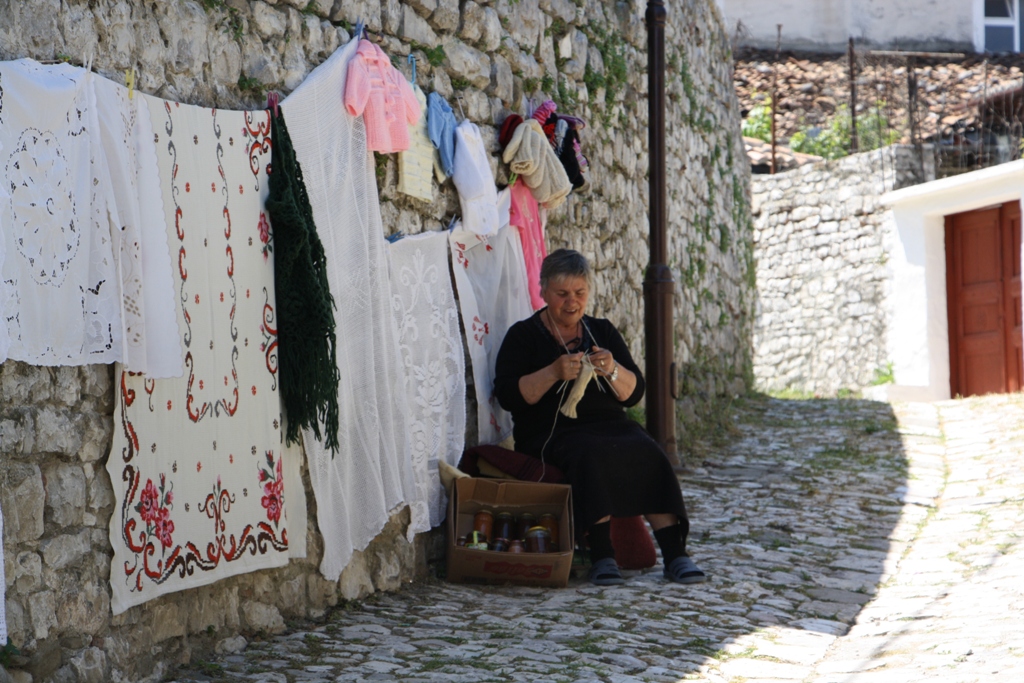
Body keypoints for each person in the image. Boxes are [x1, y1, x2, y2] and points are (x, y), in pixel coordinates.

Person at [494, 249, 706, 586]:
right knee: (589, 454)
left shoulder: (601, 331)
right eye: (562, 294)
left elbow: (634, 393)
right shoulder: (523, 336)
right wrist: (552, 372)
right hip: (552, 434)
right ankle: (603, 556)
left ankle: (675, 553)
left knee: (647, 450)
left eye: (580, 293)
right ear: (543, 291)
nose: (572, 302)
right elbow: (508, 396)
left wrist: (612, 369)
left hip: (611, 426)